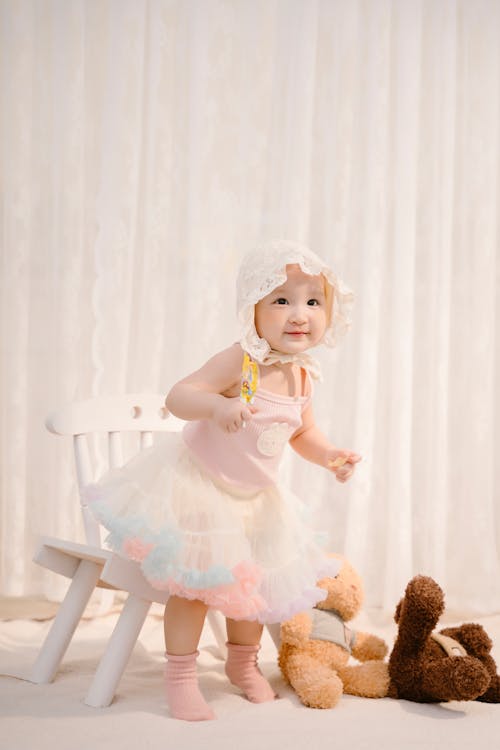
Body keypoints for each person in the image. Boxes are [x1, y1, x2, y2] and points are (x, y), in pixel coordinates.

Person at [85, 240, 360, 721]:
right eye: (282, 300)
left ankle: (241, 663)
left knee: (249, 593)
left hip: (255, 501)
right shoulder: (242, 361)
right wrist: (217, 405)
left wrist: (330, 455)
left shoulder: (302, 376)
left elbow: (304, 433)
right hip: (202, 489)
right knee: (194, 589)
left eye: (313, 301)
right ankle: (181, 676)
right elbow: (179, 395)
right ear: (251, 309)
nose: (300, 314)